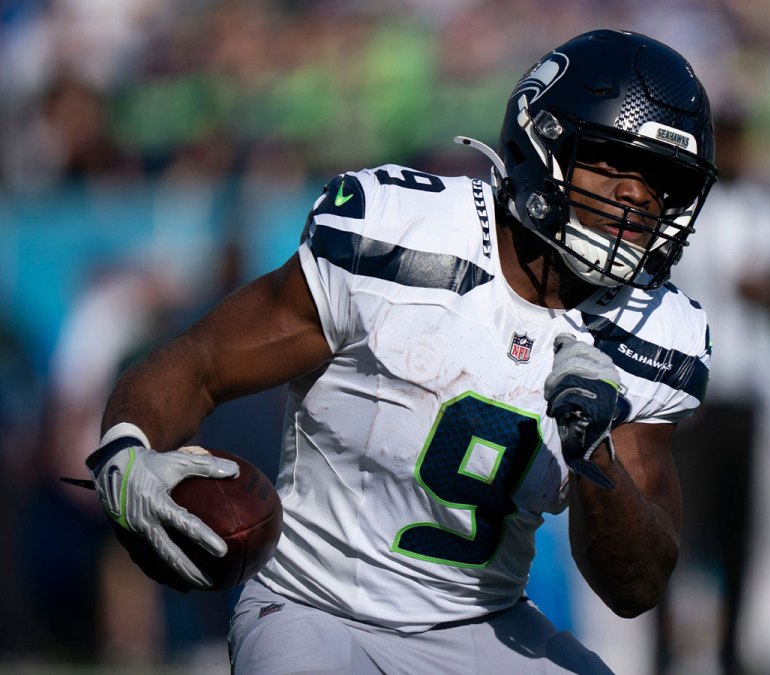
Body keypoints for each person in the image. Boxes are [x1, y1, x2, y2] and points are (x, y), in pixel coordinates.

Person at [79, 29, 717, 674]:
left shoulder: (656, 331)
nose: (639, 196)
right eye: (613, 161)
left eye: (663, 180)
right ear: (542, 143)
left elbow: (635, 587)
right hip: (314, 606)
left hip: (483, 623)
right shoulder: (399, 236)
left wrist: (593, 450)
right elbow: (201, 363)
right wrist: (127, 448)